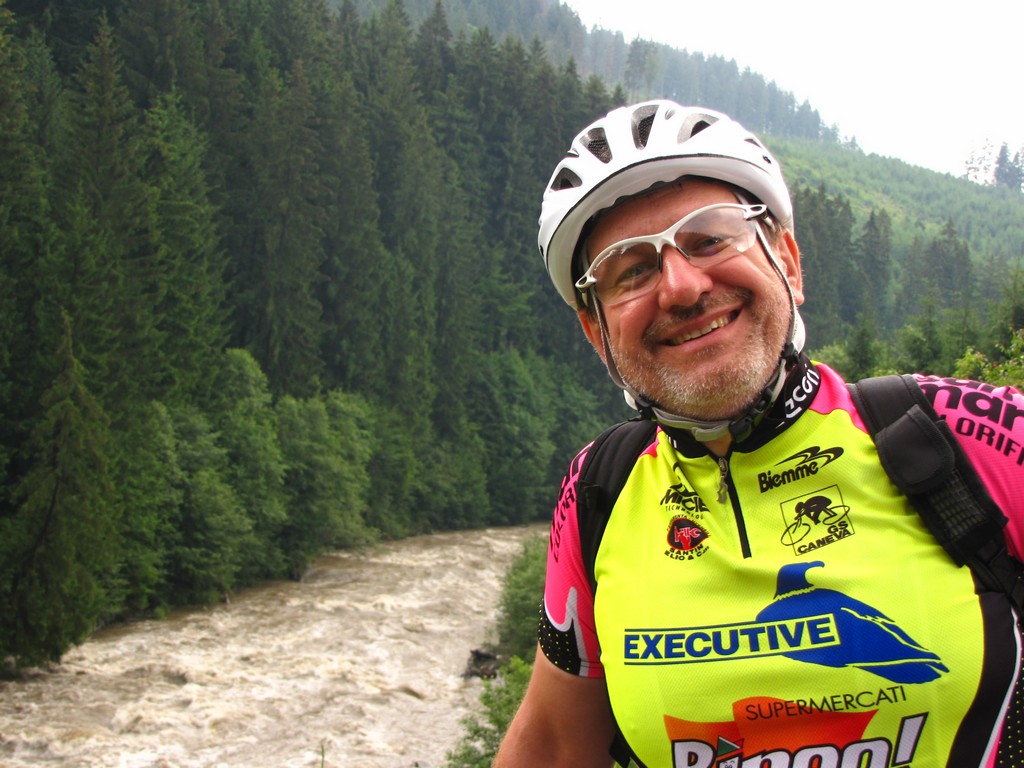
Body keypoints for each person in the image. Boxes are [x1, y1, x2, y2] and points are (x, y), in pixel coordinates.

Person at [493, 100, 1024, 768]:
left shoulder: (971, 436)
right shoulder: (602, 489)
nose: (681, 287)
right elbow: (553, 746)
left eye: (710, 238)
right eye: (631, 270)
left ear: (789, 263)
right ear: (596, 332)